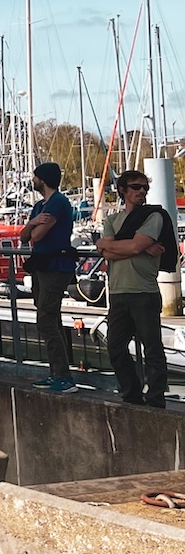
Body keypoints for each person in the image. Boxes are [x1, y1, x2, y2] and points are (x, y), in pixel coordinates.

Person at [99, 170, 170, 408]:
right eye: (136, 187)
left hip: (144, 292)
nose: (141, 192)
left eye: (144, 188)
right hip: (118, 292)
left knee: (152, 348)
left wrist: (118, 247)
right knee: (115, 347)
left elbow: (120, 248)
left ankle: (156, 396)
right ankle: (131, 392)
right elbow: (109, 251)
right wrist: (133, 247)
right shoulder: (112, 220)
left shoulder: (154, 217)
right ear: (123, 190)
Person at [19, 161, 77, 393]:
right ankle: (56, 373)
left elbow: (37, 236)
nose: (32, 180)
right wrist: (33, 222)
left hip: (56, 266)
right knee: (48, 318)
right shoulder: (39, 207)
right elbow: (26, 236)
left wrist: (33, 228)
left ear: (43, 179)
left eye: (35, 177)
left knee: (47, 318)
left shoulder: (58, 203)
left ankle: (63, 375)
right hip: (42, 267)